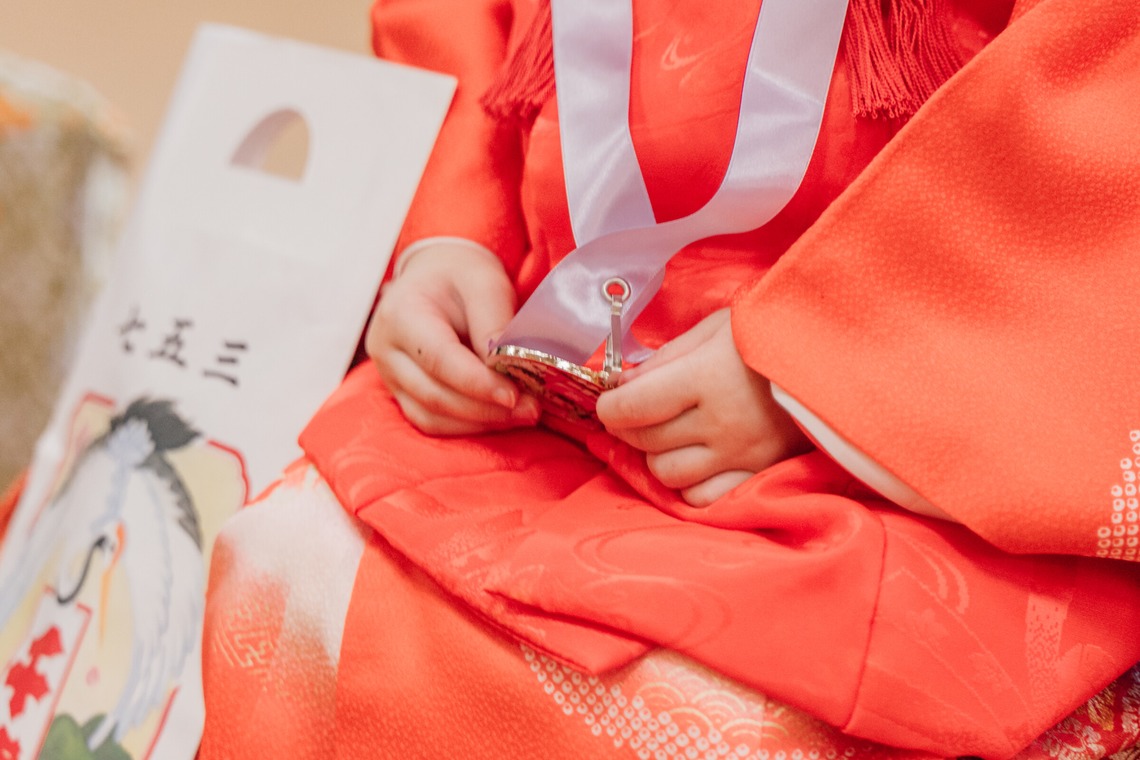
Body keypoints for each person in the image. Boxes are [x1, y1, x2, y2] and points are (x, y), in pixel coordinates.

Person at [197, 0, 1140, 757]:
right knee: (282, 559)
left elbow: (1103, 99)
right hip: (535, 348)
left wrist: (824, 365)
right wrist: (445, 241)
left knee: (700, 722)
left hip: (893, 408)